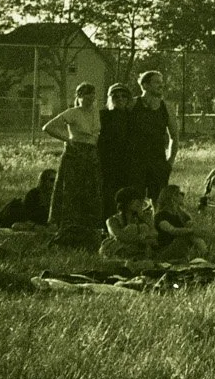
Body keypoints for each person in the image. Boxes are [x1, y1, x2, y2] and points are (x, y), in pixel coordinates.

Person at [40, 83, 104, 231]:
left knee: (91, 188)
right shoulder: (73, 112)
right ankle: (67, 224)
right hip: (75, 154)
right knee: (71, 188)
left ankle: (88, 224)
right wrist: (68, 139)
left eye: (92, 94)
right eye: (86, 94)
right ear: (79, 96)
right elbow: (48, 127)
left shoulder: (96, 112)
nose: (90, 97)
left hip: (92, 153)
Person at [124, 70, 181, 203]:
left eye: (162, 83)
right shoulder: (132, 104)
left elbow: (174, 136)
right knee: (134, 200)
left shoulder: (166, 108)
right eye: (156, 82)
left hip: (158, 161)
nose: (161, 85)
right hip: (135, 161)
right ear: (144, 85)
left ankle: (156, 223)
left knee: (158, 201)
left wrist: (170, 161)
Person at [97, 83, 138, 210]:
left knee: (127, 194)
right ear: (110, 99)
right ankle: (108, 223)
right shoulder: (103, 115)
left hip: (128, 161)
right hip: (108, 161)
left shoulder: (133, 116)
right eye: (116, 96)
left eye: (124, 96)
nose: (120, 99)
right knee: (108, 194)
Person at [154, 184, 210, 260]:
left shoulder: (181, 214)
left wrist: (197, 230)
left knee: (195, 237)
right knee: (184, 239)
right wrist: (190, 231)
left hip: (181, 248)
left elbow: (190, 224)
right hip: (166, 248)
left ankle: (205, 256)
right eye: (179, 193)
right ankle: (206, 256)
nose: (182, 195)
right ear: (172, 197)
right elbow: (172, 230)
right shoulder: (160, 215)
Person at [100, 188, 160, 259]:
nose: (139, 202)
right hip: (121, 251)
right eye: (135, 200)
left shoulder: (143, 218)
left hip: (142, 250)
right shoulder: (112, 220)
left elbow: (155, 233)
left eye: (140, 200)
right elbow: (121, 236)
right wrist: (143, 239)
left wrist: (143, 218)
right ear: (126, 202)